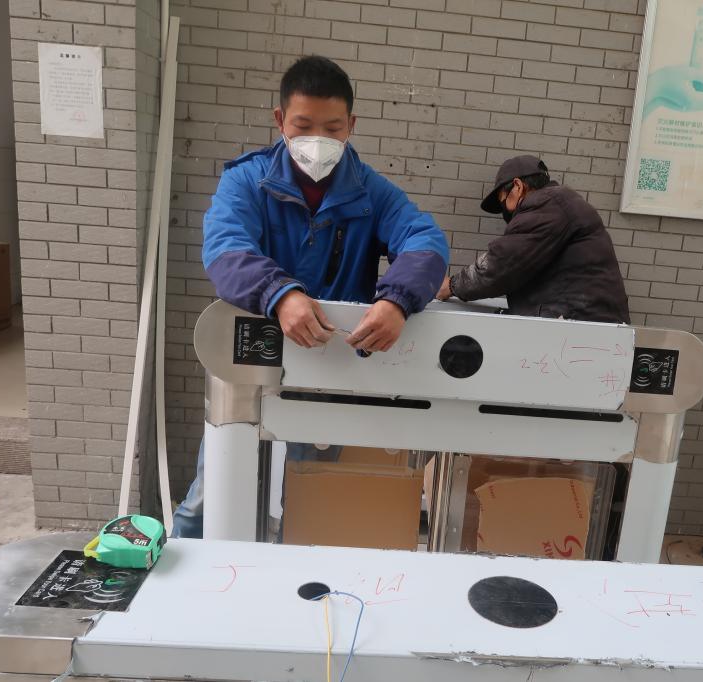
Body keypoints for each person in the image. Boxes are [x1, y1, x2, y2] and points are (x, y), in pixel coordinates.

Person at [172, 56, 449, 538]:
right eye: (303, 125)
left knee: (306, 497)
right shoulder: (246, 181)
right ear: (280, 120)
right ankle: (187, 570)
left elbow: (425, 241)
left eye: (333, 128)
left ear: (351, 126)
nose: (317, 139)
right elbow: (225, 248)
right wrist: (279, 294)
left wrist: (398, 299)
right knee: (211, 493)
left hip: (329, 373)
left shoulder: (372, 193)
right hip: (252, 364)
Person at [437, 155, 629, 324]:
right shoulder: (560, 203)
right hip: (584, 322)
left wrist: (451, 285)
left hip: (579, 327)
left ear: (518, 186)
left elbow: (503, 263)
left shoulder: (546, 204)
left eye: (503, 201)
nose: (506, 211)